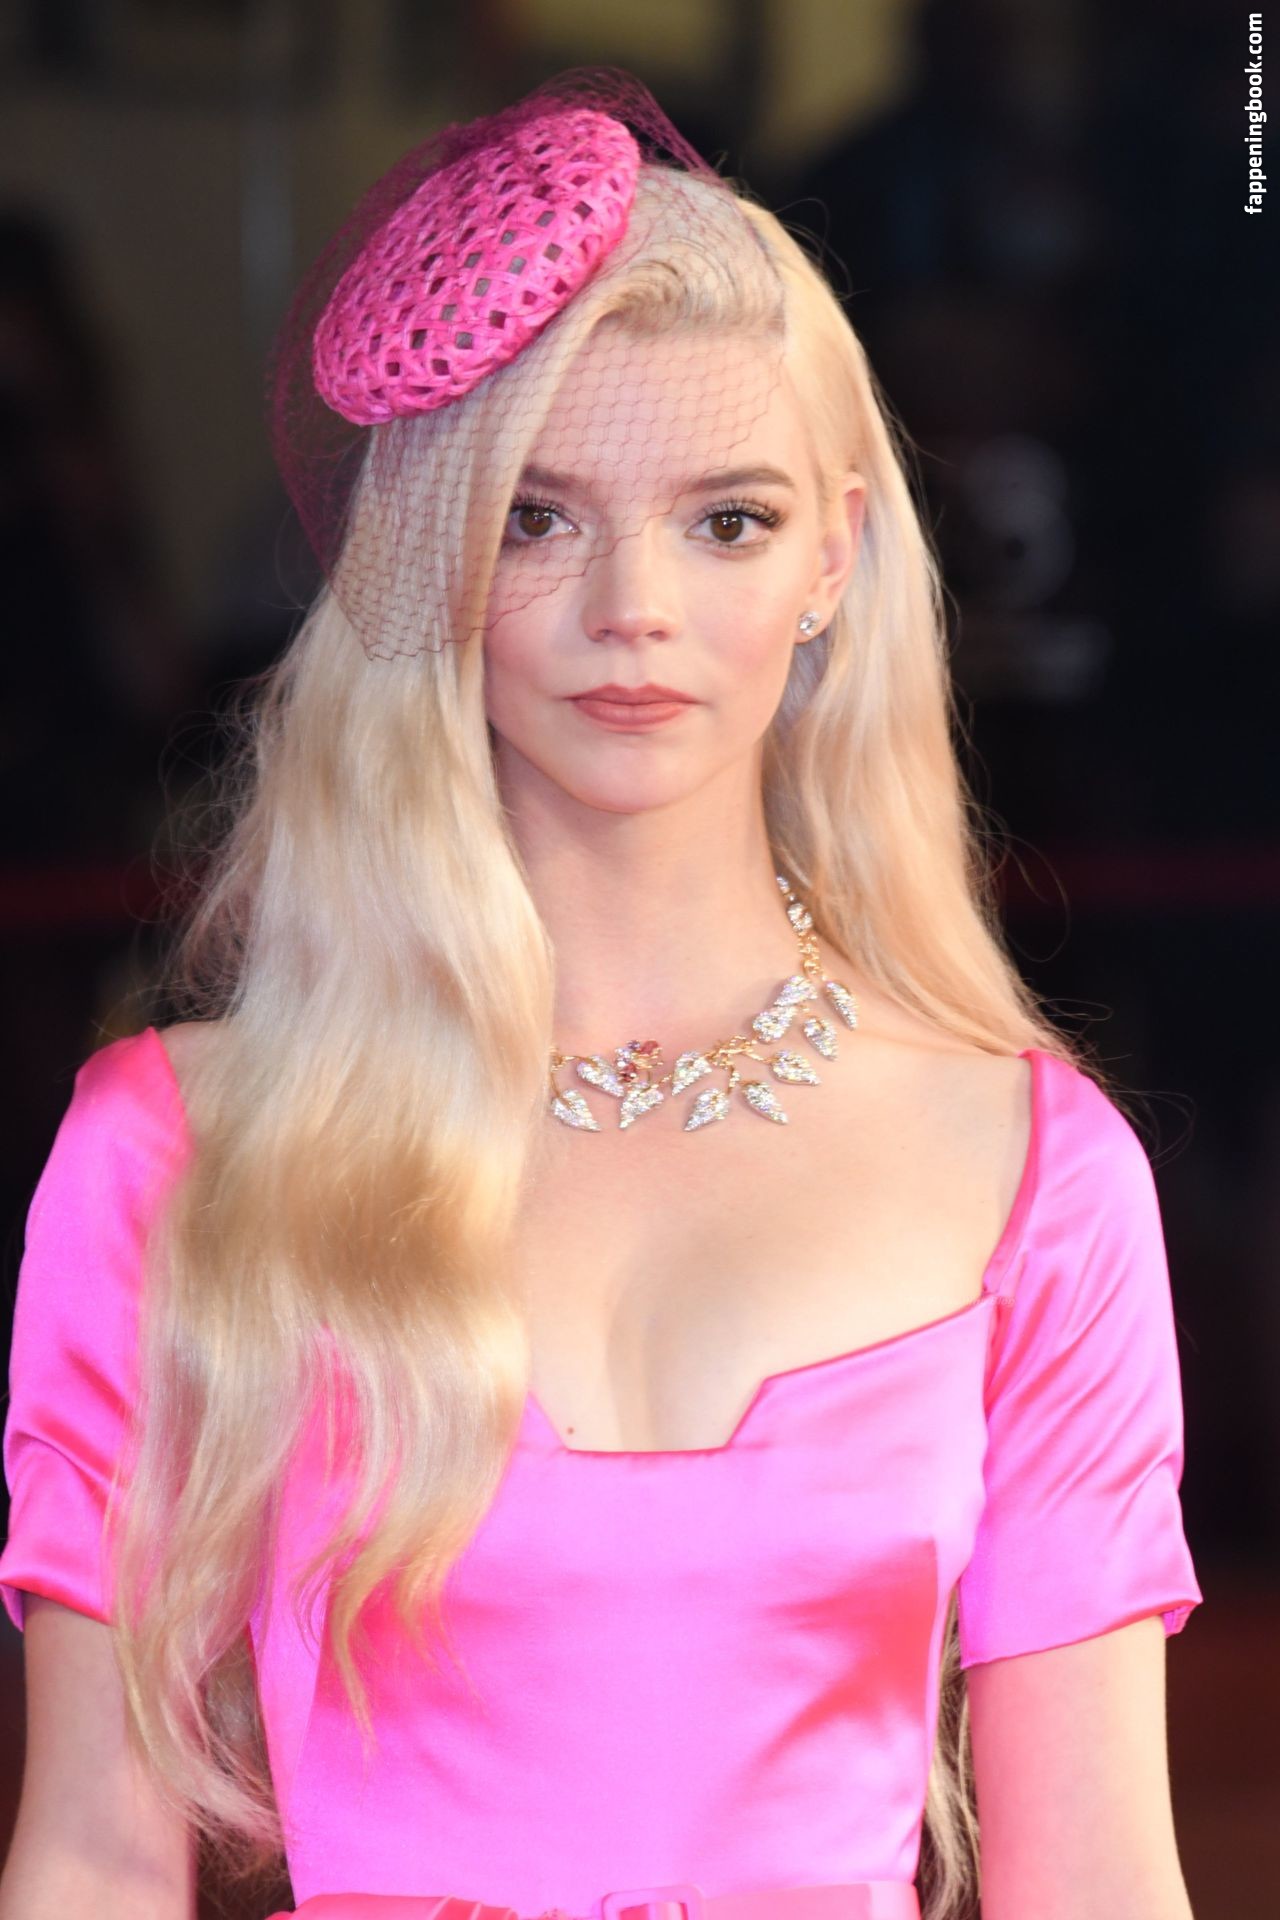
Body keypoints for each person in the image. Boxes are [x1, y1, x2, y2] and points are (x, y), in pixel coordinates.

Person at [0, 69, 1202, 1920]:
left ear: (834, 557)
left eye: (727, 520)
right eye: (540, 518)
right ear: (434, 548)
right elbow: (92, 1855)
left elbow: (1100, 1877)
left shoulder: (1034, 1172)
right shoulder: (177, 1155)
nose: (631, 605)